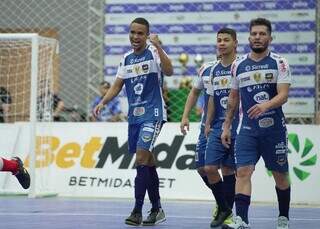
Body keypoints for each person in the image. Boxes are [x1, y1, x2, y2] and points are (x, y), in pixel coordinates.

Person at [93, 17, 173, 226]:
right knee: (146, 161)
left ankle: (137, 210)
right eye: (133, 33)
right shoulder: (126, 59)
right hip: (135, 117)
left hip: (154, 113)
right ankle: (157, 209)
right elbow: (117, 85)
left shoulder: (154, 52)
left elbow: (170, 70)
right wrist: (103, 102)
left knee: (140, 158)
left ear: (147, 35)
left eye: (140, 33)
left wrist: (159, 45)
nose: (135, 37)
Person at [221, 18, 291, 229]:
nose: (258, 37)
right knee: (243, 172)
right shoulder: (238, 65)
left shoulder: (279, 62)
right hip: (247, 130)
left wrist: (265, 105)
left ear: (270, 37)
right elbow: (233, 98)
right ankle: (241, 220)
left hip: (274, 130)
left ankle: (283, 217)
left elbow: (284, 95)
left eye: (262, 34)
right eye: (254, 34)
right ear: (249, 37)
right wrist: (226, 126)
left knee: (280, 175)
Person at [180, 27, 238, 228]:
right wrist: (186, 116)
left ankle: (226, 210)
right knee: (202, 167)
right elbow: (196, 93)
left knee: (228, 168)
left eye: (225, 40)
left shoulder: (240, 67)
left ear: (234, 44)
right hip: (209, 125)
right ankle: (222, 203)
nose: (221, 44)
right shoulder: (207, 69)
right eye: (219, 40)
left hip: (234, 125)